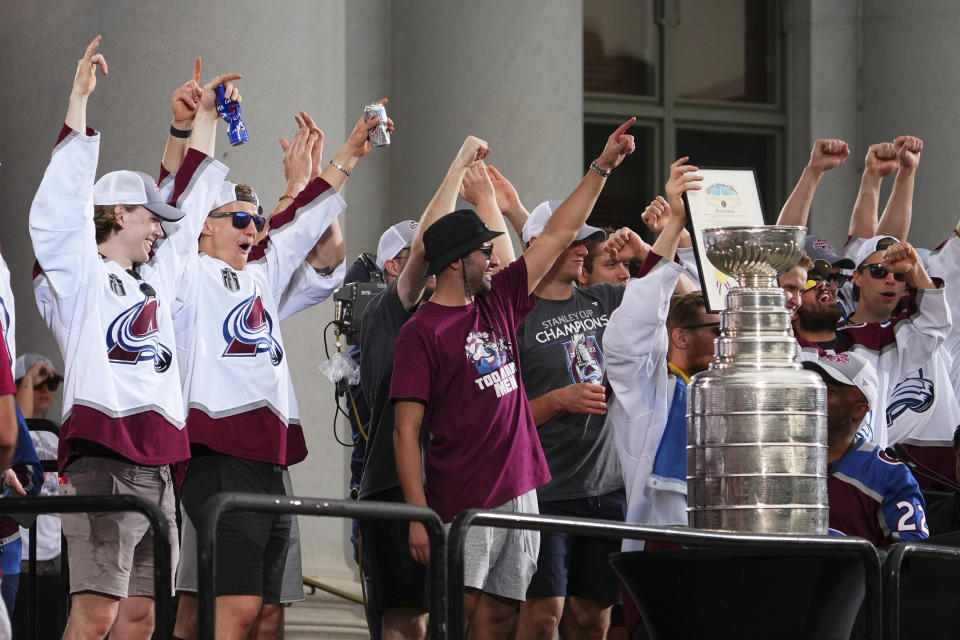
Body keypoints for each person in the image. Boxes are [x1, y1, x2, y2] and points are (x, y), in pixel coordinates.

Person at [392, 118, 635, 639]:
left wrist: (601, 168)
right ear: (457, 262)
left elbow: (559, 233)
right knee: (457, 613)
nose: (493, 256)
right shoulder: (421, 332)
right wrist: (418, 514)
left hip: (523, 489)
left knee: (503, 615)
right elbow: (405, 431)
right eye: (484, 251)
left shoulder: (498, 301)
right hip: (464, 496)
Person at [29, 36, 233, 639]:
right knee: (96, 615)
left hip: (159, 463)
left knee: (141, 617)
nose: (161, 233)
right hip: (105, 458)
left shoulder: (155, 280)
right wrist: (79, 102)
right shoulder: (79, 277)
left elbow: (191, 207)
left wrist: (206, 122)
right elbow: (60, 210)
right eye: (149, 219)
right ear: (118, 213)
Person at [171, 94, 384, 640]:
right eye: (239, 219)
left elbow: (302, 222)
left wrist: (353, 150)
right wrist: (205, 124)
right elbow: (185, 199)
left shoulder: (259, 274)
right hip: (219, 452)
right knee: (231, 610)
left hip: (269, 457)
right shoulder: (184, 275)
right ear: (203, 228)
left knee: (263, 614)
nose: (254, 228)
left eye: (257, 220)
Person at [359, 137, 500, 640]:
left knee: (454, 613)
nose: (426, 257)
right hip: (397, 486)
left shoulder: (459, 316)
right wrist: (457, 163)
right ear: (393, 265)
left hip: (449, 482)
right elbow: (428, 245)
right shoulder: (386, 313)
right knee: (408, 618)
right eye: (412, 253)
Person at [513, 201, 625, 640]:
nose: (582, 248)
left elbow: (682, 296)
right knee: (542, 617)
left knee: (593, 619)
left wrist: (649, 244)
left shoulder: (603, 299)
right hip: (545, 489)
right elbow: (497, 415)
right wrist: (556, 400)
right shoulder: (513, 315)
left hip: (603, 485)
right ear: (540, 245)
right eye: (572, 240)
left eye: (584, 240)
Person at [801, 352, 928, 546]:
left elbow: (910, 558)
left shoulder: (890, 475)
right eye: (814, 385)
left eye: (829, 390)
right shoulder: (779, 457)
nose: (815, 394)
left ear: (859, 409)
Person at [14, 353, 62, 420]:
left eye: (51, 382)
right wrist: (29, 377)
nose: (45, 390)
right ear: (15, 387)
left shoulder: (51, 429)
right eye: (37, 383)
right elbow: (21, 427)